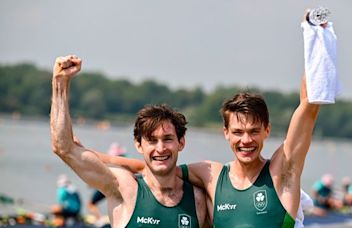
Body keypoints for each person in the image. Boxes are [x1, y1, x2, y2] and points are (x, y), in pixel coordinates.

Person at [99, 12, 335, 227]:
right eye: (238, 132)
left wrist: (315, 37)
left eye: (254, 131)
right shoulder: (212, 176)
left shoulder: (281, 172)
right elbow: (156, 167)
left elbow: (308, 107)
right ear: (226, 133)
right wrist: (88, 153)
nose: (246, 140)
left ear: (267, 130)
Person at [50, 55, 208, 227]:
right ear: (139, 145)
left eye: (168, 139)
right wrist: (60, 83)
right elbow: (63, 148)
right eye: (152, 141)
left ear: (181, 142)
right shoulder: (123, 188)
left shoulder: (198, 200)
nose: (160, 148)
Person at [86, 142, 127, 227]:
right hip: (120, 186)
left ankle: (100, 220)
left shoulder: (111, 162)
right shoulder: (126, 163)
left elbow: (102, 174)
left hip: (108, 185)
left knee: (91, 204)